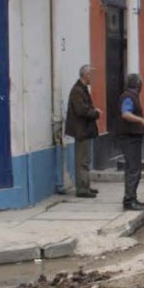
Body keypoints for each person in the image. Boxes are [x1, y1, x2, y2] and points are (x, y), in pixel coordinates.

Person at [65, 64, 101, 198]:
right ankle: (82, 189)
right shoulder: (77, 90)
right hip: (81, 131)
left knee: (85, 160)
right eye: (91, 75)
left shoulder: (82, 89)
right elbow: (81, 110)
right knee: (82, 161)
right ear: (86, 76)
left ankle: (86, 186)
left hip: (85, 130)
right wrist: (95, 112)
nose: (93, 78)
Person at [117, 73, 144, 211]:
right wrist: (142, 120)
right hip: (129, 138)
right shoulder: (128, 97)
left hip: (133, 137)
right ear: (138, 84)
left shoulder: (132, 96)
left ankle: (133, 197)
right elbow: (125, 114)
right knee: (133, 168)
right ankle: (129, 200)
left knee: (134, 168)